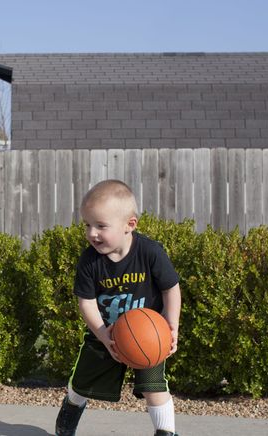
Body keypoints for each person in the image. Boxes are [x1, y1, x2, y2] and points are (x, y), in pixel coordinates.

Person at [54, 179, 182, 436]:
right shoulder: (90, 261)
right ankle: (71, 408)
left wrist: (171, 326)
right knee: (82, 384)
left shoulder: (150, 252)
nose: (92, 233)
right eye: (87, 225)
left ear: (129, 225)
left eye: (101, 226)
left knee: (154, 386)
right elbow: (86, 302)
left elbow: (171, 288)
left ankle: (166, 432)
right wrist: (103, 335)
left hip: (148, 335)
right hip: (106, 332)